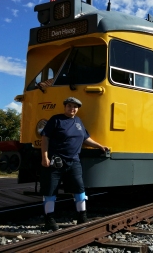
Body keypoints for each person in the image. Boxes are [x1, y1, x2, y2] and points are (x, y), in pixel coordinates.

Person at [40, 96, 109, 231]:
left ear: (77, 109)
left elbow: (86, 138)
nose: (72, 108)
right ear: (65, 107)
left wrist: (99, 146)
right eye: (69, 106)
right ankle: (49, 220)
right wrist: (45, 156)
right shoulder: (56, 119)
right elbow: (45, 138)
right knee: (50, 190)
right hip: (56, 161)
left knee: (79, 188)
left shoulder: (78, 121)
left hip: (74, 161)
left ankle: (82, 217)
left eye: (75, 107)